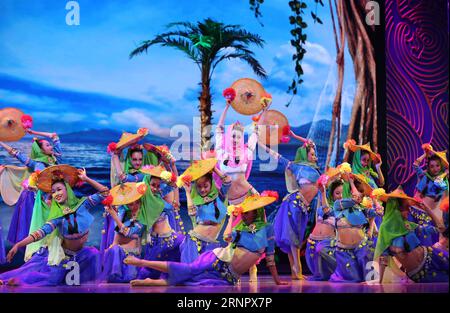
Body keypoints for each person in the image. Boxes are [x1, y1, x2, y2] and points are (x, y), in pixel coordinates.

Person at [123, 192, 288, 287]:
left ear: (257, 213)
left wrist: (278, 281)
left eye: (247, 212)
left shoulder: (267, 229)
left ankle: (152, 282)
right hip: (217, 258)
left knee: (189, 280)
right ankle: (141, 263)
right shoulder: (241, 229)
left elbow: (271, 260)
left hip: (228, 276)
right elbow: (226, 237)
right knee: (188, 270)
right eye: (243, 212)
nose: (244, 216)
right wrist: (232, 218)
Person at [0, 165, 108, 286]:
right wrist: (19, 244)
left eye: (59, 189)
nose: (56, 193)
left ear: (67, 189)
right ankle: (19, 281)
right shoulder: (57, 217)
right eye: (53, 192)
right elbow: (39, 233)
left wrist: (86, 179)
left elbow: (105, 192)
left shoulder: (83, 205)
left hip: (81, 254)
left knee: (94, 256)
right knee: (52, 280)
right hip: (63, 256)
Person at [258, 141, 321, 280]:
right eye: (311, 154)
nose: (314, 156)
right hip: (294, 204)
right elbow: (277, 156)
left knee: (295, 238)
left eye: (314, 154)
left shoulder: (315, 169)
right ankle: (297, 270)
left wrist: (296, 137)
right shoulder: (297, 167)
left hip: (303, 207)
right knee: (294, 239)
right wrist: (261, 144)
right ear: (305, 155)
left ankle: (295, 272)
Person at [214, 98, 261, 281]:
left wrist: (262, 111)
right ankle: (236, 271)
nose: (235, 139)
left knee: (252, 235)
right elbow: (218, 128)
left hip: (249, 197)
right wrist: (226, 105)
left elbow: (256, 132)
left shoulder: (246, 152)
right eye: (233, 135)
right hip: (233, 202)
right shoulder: (222, 152)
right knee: (233, 238)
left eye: (239, 136)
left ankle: (252, 270)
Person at [0, 130, 63, 246]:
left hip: (53, 197)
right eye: (47, 145)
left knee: (52, 225)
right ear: (41, 150)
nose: (51, 146)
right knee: (35, 225)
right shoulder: (35, 163)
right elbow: (15, 153)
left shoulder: (57, 159)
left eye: (50, 144)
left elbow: (54, 136)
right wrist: (1, 143)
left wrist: (32, 132)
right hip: (36, 198)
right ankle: (32, 248)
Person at [374, 187, 448, 283]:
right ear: (396, 209)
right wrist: (379, 283)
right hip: (420, 274)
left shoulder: (409, 225)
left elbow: (440, 228)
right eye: (406, 208)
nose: (409, 211)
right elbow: (383, 258)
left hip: (435, 257)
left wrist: (427, 210)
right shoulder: (385, 230)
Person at [179, 159, 231, 263]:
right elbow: (192, 213)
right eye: (199, 187)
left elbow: (227, 181)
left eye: (205, 186)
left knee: (208, 275)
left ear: (211, 184)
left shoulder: (219, 197)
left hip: (211, 243)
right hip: (195, 241)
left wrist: (214, 169)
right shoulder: (197, 201)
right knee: (192, 273)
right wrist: (188, 193)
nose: (202, 190)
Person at [100, 182, 151, 283]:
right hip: (120, 251)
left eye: (137, 202)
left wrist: (114, 215)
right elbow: (118, 234)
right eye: (131, 204)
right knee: (112, 250)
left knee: (129, 277)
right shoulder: (125, 215)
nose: (135, 206)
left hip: (133, 254)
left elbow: (128, 233)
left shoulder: (143, 218)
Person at [410, 145, 448, 246]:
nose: (435, 169)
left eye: (437, 166)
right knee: (413, 242)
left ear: (441, 166)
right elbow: (415, 165)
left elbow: (440, 187)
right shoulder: (425, 177)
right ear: (428, 167)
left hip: (428, 214)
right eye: (432, 166)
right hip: (415, 211)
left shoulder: (443, 181)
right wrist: (425, 154)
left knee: (425, 244)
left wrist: (445, 173)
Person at [305, 177, 342, 281]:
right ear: (332, 194)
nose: (341, 196)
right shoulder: (322, 206)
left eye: (343, 193)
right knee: (319, 274)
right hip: (312, 241)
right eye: (337, 193)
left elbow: (327, 210)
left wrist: (323, 192)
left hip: (327, 243)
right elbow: (323, 209)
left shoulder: (342, 209)